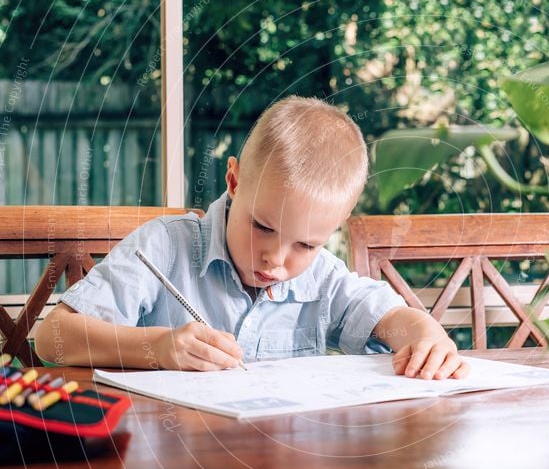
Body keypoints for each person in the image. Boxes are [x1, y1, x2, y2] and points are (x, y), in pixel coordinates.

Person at [35, 96, 469, 380]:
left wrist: (425, 331)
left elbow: (388, 316)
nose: (276, 259)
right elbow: (54, 337)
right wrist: (160, 347)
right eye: (263, 226)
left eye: (305, 244)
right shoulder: (165, 248)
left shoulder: (322, 278)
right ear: (234, 181)